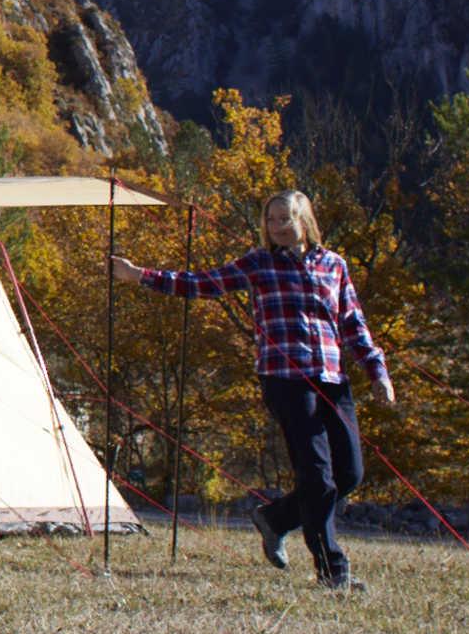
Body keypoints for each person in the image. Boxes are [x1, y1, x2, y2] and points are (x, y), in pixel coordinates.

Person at [111, 189, 395, 593]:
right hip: (285, 380)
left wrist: (377, 370)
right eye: (271, 220)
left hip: (332, 378)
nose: (277, 227)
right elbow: (201, 284)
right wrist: (140, 276)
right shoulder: (259, 264)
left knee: (349, 473)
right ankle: (334, 571)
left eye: (285, 219)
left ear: (304, 221)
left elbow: (353, 322)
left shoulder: (334, 265)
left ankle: (276, 519)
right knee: (317, 478)